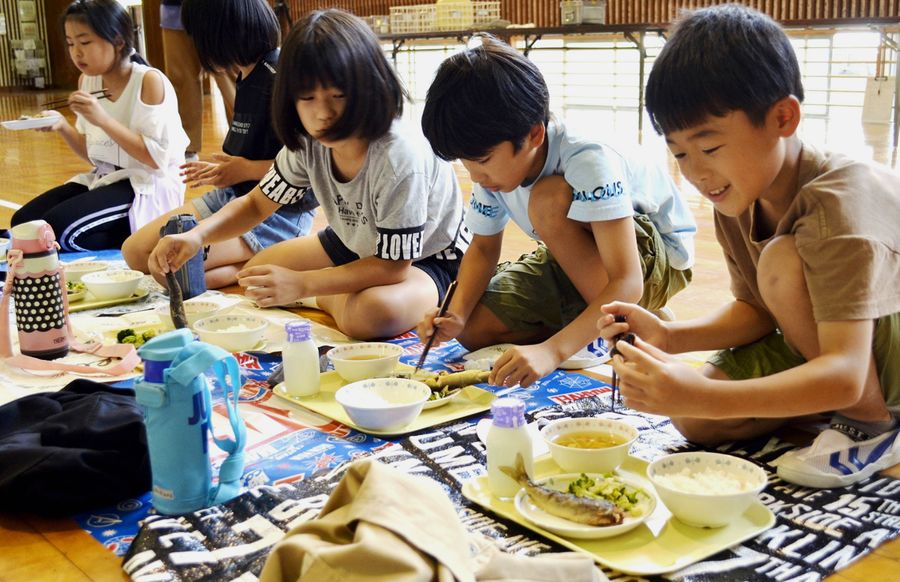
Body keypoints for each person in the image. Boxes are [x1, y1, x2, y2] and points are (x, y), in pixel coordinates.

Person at [599, 4, 900, 488]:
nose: (697, 173)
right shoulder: (737, 196)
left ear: (783, 116)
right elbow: (757, 309)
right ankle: (820, 398)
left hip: (874, 351)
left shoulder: (836, 204)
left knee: (778, 267)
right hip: (830, 344)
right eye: (679, 153)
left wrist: (705, 394)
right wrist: (671, 338)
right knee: (695, 420)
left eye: (710, 148)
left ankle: (871, 425)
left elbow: (845, 371)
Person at [147, 9, 468, 340]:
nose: (323, 113)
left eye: (338, 96)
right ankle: (332, 290)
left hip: (427, 259)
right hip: (353, 242)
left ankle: (326, 295)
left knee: (372, 314)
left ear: (370, 86)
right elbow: (257, 204)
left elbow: (392, 265)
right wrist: (197, 236)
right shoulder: (308, 142)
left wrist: (304, 283)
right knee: (259, 271)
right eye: (307, 98)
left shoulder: (398, 156)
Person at [416, 35, 695, 388]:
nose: (476, 177)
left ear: (533, 135)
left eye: (483, 161)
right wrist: (453, 314)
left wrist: (552, 351)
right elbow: (484, 248)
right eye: (466, 164)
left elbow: (626, 278)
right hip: (579, 257)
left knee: (548, 201)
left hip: (652, 265)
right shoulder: (494, 171)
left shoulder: (586, 157)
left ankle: (628, 318)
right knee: (473, 328)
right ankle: (595, 324)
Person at [122, 0, 317, 289]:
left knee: (170, 272)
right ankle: (256, 263)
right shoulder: (245, 75)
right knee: (135, 251)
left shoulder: (279, 79)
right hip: (233, 198)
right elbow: (255, 151)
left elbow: (310, 170)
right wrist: (223, 168)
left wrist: (246, 169)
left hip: (278, 214)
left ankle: (262, 260)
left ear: (216, 36)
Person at [11, 0, 189, 251]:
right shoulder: (88, 81)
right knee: (24, 224)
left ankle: (145, 237)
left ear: (118, 41)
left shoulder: (149, 81)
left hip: (146, 183)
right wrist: (62, 126)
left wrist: (103, 120)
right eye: (71, 43)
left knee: (56, 234)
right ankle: (128, 234)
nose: (77, 53)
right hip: (107, 177)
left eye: (85, 42)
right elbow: (94, 154)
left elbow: (154, 160)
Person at [159, 0, 235, 159]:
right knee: (180, 80)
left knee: (231, 75)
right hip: (175, 10)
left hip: (219, 9)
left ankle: (247, 140)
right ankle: (186, 146)